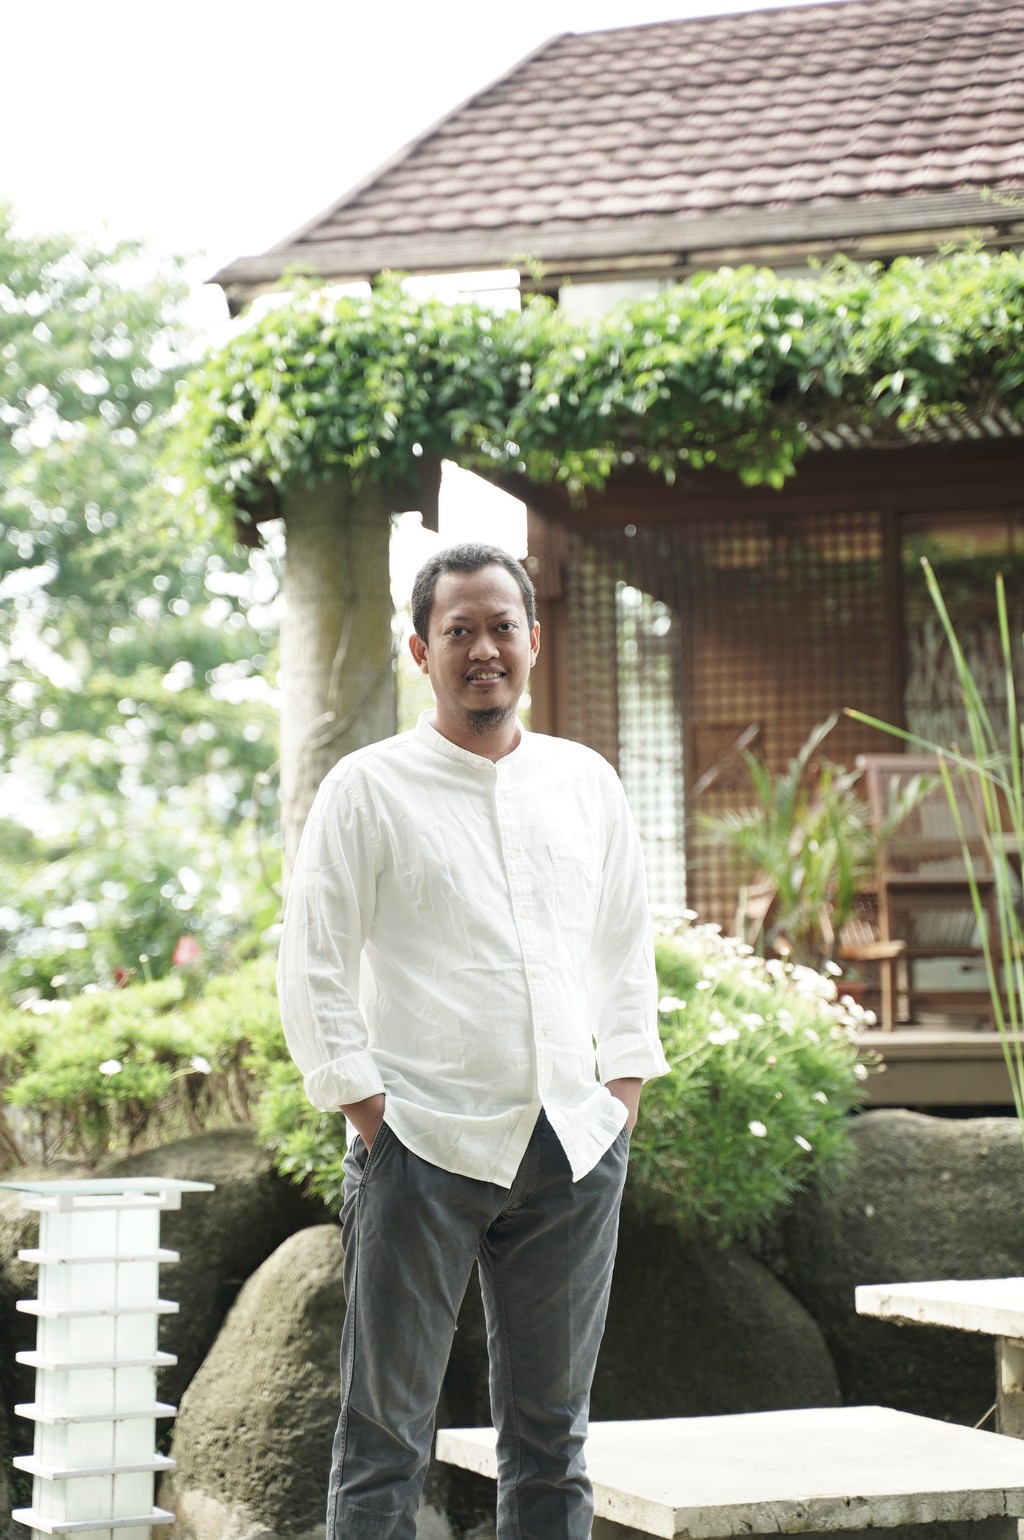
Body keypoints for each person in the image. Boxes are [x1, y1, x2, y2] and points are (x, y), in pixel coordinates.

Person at [278, 541, 669, 1540]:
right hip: (420, 1144)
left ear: (534, 640)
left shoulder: (585, 783)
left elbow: (624, 947)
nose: (483, 648)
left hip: (571, 1151)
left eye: (502, 627)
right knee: (384, 1443)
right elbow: (314, 959)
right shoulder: (367, 788)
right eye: (459, 630)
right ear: (421, 649)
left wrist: (618, 1096)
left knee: (551, 1444)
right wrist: (370, 1114)